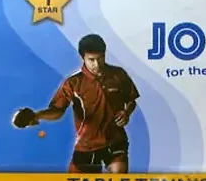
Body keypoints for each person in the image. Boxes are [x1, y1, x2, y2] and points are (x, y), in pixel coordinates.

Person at [12, 34, 140, 173]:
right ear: (82, 57)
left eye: (100, 58)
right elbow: (57, 110)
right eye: (91, 60)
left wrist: (126, 113)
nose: (97, 64)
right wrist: (36, 116)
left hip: (115, 140)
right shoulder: (73, 82)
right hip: (86, 144)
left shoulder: (118, 74)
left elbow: (131, 100)